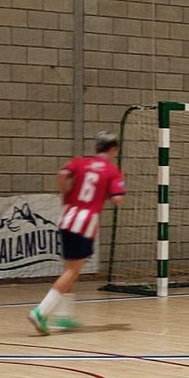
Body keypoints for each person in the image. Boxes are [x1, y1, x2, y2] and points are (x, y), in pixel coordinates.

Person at [28, 131, 126, 335]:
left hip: (68, 217)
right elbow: (118, 199)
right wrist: (105, 194)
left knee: (69, 269)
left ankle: (65, 317)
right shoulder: (112, 171)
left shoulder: (80, 162)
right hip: (86, 223)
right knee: (72, 271)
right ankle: (41, 311)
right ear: (113, 149)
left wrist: (66, 194)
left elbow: (62, 174)